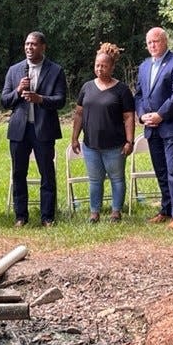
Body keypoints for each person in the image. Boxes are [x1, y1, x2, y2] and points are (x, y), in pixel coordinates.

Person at [1, 31, 67, 227]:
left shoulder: (55, 70)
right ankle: (21, 216)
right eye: (27, 44)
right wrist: (18, 91)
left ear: (43, 47)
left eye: (34, 44)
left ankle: (47, 217)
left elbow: (61, 100)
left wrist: (41, 99)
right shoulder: (14, 70)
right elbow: (4, 100)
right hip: (19, 130)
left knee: (46, 173)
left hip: (43, 129)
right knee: (18, 173)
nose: (29, 48)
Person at [134, 27, 173, 229]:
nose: (153, 45)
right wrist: (143, 115)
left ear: (165, 41)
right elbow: (139, 95)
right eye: (149, 42)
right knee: (161, 170)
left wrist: (160, 115)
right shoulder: (144, 66)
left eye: (156, 41)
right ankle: (166, 209)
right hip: (152, 128)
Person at [71, 43, 136, 223]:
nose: (99, 68)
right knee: (95, 180)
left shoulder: (121, 89)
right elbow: (79, 114)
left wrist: (129, 141)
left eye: (104, 65)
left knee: (117, 179)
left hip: (115, 145)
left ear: (112, 67)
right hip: (91, 144)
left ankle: (116, 212)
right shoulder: (87, 87)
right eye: (97, 65)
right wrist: (74, 138)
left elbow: (129, 117)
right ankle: (94, 213)